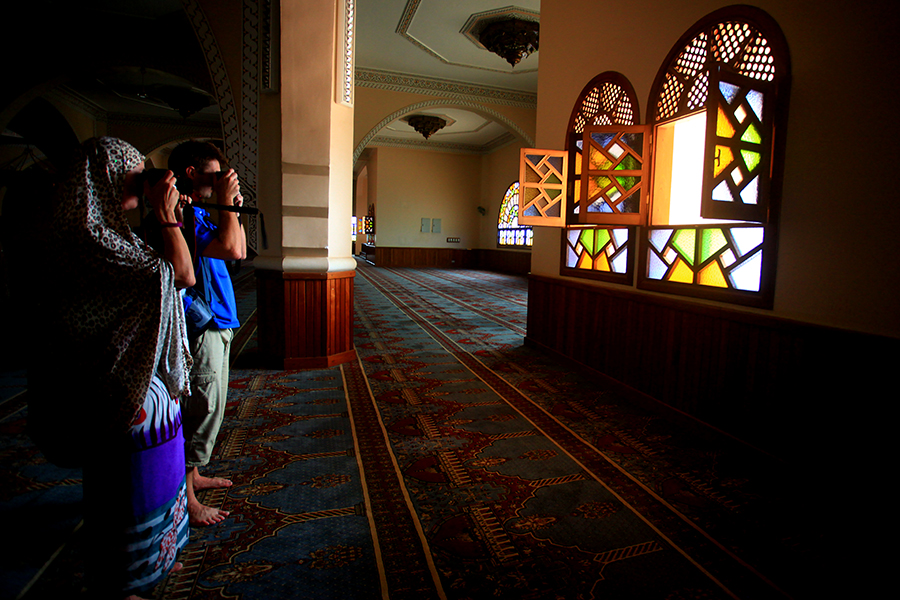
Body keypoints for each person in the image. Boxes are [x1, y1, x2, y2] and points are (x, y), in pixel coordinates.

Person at [28, 137, 195, 599]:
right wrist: (164, 216)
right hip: (113, 391)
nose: (142, 186)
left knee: (152, 483)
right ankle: (128, 580)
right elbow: (181, 275)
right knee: (127, 493)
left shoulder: (106, 233)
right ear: (103, 181)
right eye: (134, 177)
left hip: (134, 386)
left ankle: (154, 559)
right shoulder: (88, 240)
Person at [167, 141, 246, 526]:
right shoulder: (179, 214)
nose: (219, 182)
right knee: (201, 408)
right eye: (213, 175)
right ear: (191, 173)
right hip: (204, 325)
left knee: (208, 406)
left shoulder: (197, 210)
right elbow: (231, 249)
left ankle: (193, 476)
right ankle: (186, 498)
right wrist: (227, 201)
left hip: (219, 322)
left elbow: (240, 249)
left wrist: (233, 205)